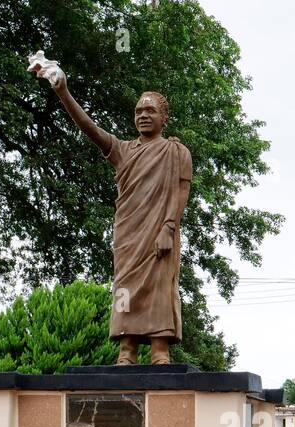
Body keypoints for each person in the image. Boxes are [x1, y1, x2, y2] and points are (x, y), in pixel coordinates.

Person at [35, 60, 193, 365]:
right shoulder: (123, 150)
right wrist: (63, 92)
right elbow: (89, 128)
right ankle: (127, 349)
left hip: (161, 232)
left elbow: (180, 192)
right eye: (139, 112)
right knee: (125, 287)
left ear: (164, 117)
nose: (143, 116)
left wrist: (169, 228)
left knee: (160, 284)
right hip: (128, 234)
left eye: (150, 111)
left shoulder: (177, 152)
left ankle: (160, 349)